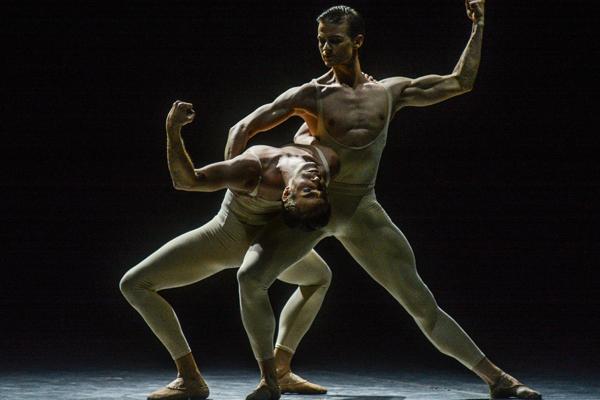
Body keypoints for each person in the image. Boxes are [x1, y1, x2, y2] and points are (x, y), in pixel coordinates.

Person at [226, 2, 542, 400]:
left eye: (335, 41)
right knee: (251, 278)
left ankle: (498, 379)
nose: (326, 49)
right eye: (321, 41)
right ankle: (271, 379)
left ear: (357, 41)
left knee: (420, 302)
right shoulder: (312, 94)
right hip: (317, 208)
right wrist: (235, 197)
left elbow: (460, 81)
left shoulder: (390, 92)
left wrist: (478, 26)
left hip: (361, 208)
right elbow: (243, 126)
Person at [119, 100, 340, 400]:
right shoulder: (323, 162)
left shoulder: (252, 172)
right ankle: (190, 378)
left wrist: (172, 129)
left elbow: (187, 181)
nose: (317, 181)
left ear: (287, 195)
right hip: (224, 237)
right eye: (316, 190)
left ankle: (278, 372)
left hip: (253, 245)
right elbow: (310, 116)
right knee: (134, 284)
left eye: (311, 191)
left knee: (318, 277)